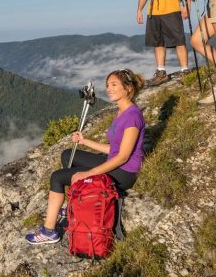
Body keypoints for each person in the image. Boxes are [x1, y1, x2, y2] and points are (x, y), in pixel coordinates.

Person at [25, 69, 146, 244]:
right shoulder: (121, 112)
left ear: (128, 88)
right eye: (107, 85)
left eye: (114, 85)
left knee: (57, 177)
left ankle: (49, 231)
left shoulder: (132, 116)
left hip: (124, 173)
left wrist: (89, 174)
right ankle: (76, 203)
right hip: (114, 163)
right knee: (68, 155)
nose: (109, 89)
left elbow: (122, 157)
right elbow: (114, 149)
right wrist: (85, 141)